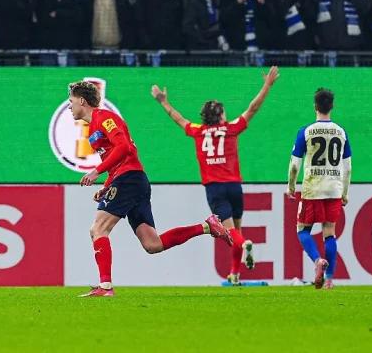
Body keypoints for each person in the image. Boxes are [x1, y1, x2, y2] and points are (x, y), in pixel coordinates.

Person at [71, 81, 233, 297]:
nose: (69, 105)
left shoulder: (105, 118)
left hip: (129, 179)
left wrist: (96, 171)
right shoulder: (93, 126)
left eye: (71, 101)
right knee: (152, 244)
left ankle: (106, 287)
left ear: (82, 100)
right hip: (131, 180)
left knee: (98, 229)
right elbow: (116, 156)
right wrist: (107, 185)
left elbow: (124, 147)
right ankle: (206, 226)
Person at [150, 66, 280, 285]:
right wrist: (267, 84)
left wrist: (163, 101)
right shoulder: (231, 128)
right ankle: (235, 273)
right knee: (236, 229)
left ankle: (242, 250)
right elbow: (253, 108)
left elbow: (179, 119)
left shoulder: (197, 131)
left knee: (231, 234)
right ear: (220, 116)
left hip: (214, 188)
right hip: (234, 185)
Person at [285, 88, 352, 290]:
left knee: (302, 230)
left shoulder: (305, 132)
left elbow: (295, 165)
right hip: (333, 189)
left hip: (312, 189)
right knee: (329, 233)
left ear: (315, 107)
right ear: (332, 106)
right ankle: (329, 280)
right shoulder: (341, 132)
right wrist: (345, 193)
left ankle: (317, 261)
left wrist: (291, 187)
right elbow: (347, 167)